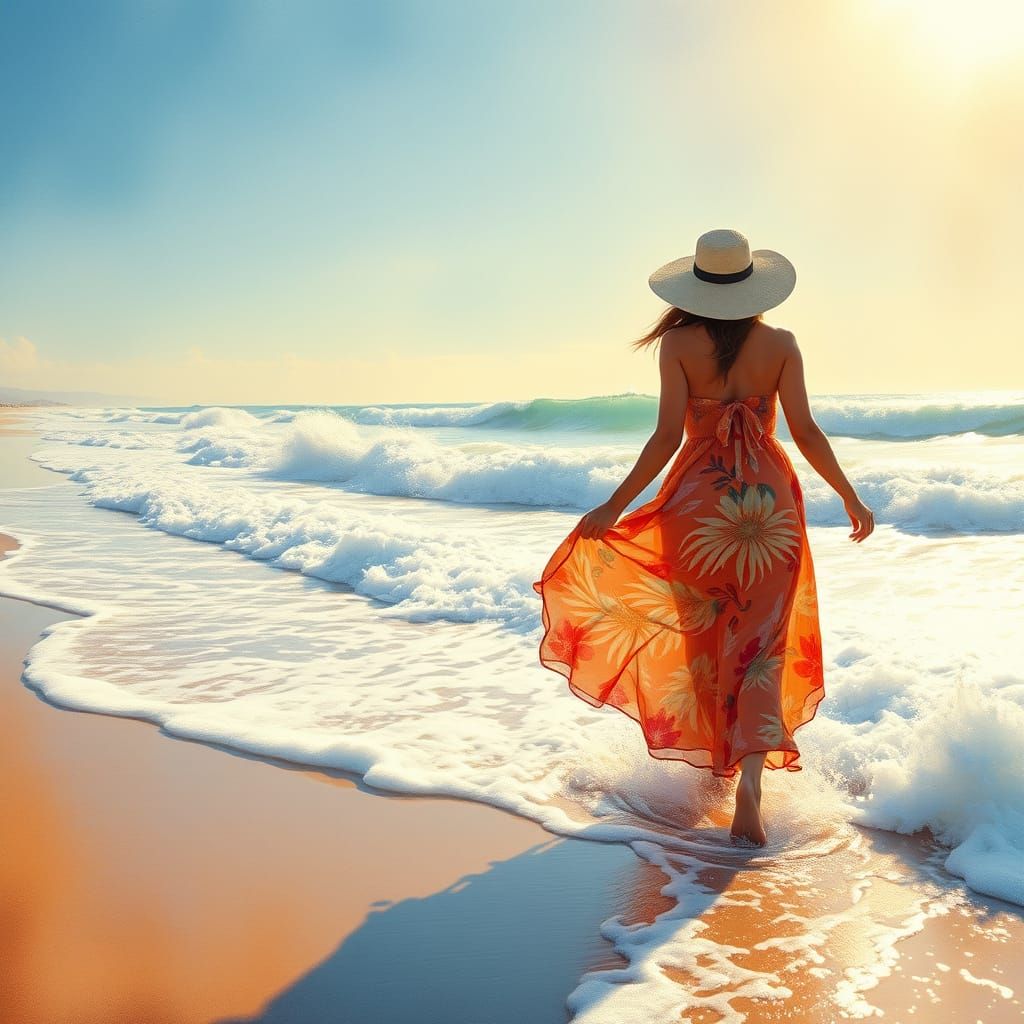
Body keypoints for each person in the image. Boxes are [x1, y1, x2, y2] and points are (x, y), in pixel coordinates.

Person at [532, 228, 873, 846]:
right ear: (753, 285)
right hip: (771, 510)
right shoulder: (782, 344)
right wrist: (848, 495)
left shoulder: (678, 345)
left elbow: (666, 437)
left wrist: (614, 505)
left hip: (699, 506)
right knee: (762, 645)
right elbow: (807, 430)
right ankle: (748, 783)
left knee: (705, 635)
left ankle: (717, 773)